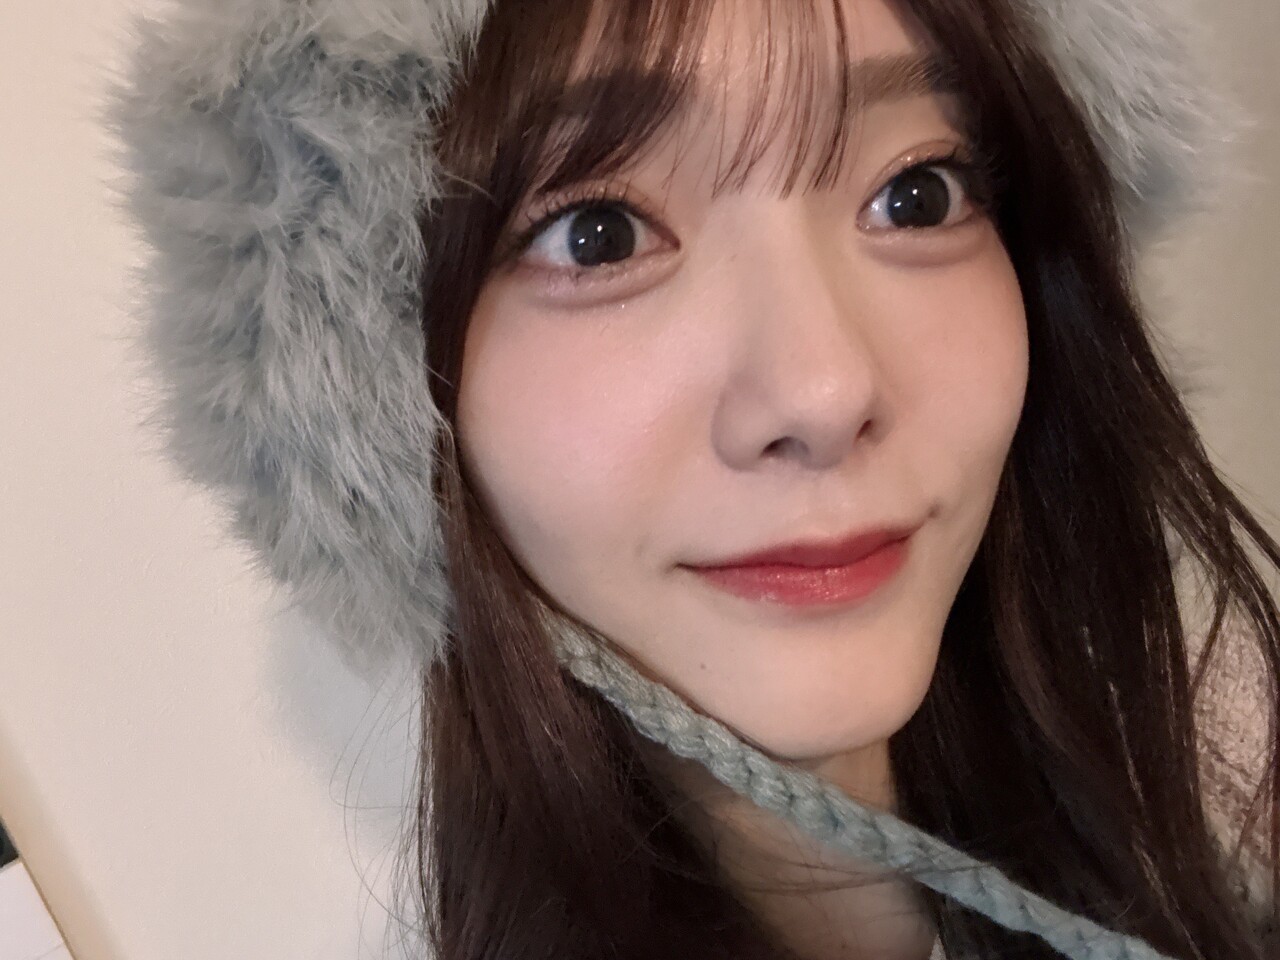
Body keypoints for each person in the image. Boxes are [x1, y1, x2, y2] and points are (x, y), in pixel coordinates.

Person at [107, 0, 1280, 957]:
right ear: (378, 409)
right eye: (598, 233)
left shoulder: (1228, 790)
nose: (821, 392)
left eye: (916, 193)